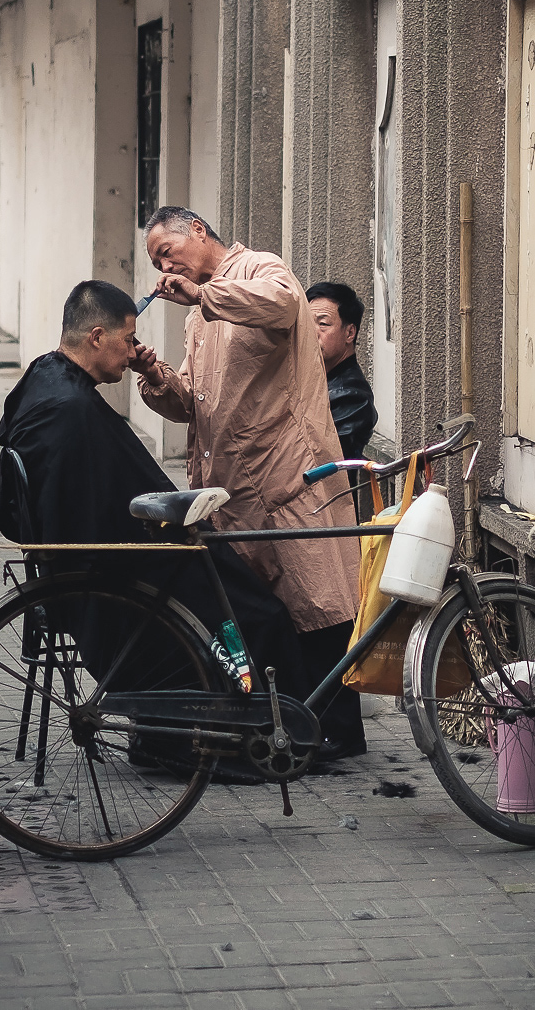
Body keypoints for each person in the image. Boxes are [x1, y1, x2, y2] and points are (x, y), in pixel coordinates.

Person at [0, 280, 307, 703]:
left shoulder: (45, 377)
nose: (131, 353)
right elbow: (104, 521)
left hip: (90, 558)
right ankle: (265, 721)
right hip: (117, 570)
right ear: (97, 337)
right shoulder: (71, 411)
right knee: (261, 615)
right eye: (128, 340)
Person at [132, 208, 366, 759]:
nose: (164, 268)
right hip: (234, 490)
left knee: (319, 606)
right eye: (156, 263)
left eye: (167, 252)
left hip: (287, 478)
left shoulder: (261, 268)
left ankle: (336, 735)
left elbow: (284, 304)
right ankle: (291, 726)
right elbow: (193, 404)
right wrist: (153, 373)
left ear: (197, 230)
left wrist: (203, 295)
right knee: (267, 614)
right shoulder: (196, 319)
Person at [305, 281, 378, 463]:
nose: (312, 332)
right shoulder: (317, 378)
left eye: (323, 324)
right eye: (306, 323)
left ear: (349, 333)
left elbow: (310, 457)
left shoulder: (351, 396)